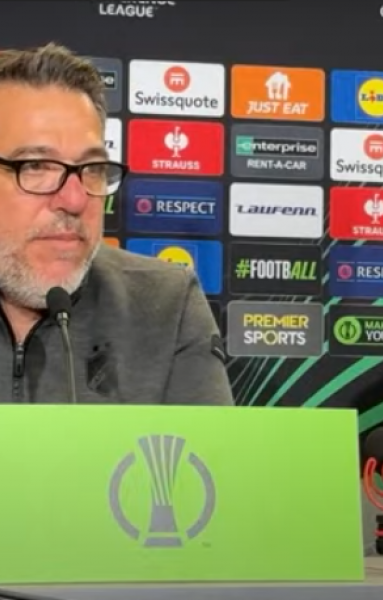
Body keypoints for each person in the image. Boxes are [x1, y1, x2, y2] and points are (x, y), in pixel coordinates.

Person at [0, 43, 233, 406]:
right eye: (35, 166)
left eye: (92, 168)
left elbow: (204, 445)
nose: (75, 200)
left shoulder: (166, 303)